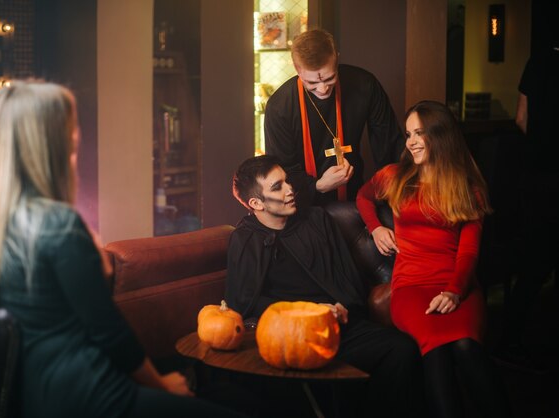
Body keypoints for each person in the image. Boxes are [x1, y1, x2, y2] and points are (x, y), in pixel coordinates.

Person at [0, 80, 244, 418]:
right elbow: (109, 332)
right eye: (70, 125)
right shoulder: (59, 225)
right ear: (51, 141)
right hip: (88, 391)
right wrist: (161, 385)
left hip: (30, 395)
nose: (76, 133)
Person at [226, 155, 424, 418]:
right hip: (291, 337)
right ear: (256, 203)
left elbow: (347, 278)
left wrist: (341, 308)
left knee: (402, 349)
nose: (290, 190)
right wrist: (308, 312)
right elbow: (245, 301)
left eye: (287, 181)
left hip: (341, 326)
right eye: (277, 187)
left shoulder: (317, 220)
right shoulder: (244, 239)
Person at [356, 100, 512, 418]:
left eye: (419, 134)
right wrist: (376, 229)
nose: (410, 141)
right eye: (408, 133)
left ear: (440, 136)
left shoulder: (468, 189)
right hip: (411, 285)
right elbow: (362, 196)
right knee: (436, 350)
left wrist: (455, 292)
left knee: (467, 346)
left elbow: (468, 251)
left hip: (458, 284)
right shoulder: (395, 176)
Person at [264, 28, 404, 207]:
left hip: (356, 197)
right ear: (297, 69)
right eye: (312, 82)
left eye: (330, 78)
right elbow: (281, 170)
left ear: (336, 59)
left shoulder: (364, 85)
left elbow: (389, 144)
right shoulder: (279, 106)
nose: (323, 89)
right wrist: (319, 186)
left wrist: (393, 194)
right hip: (301, 205)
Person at [496, 45, 559, 371]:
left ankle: (510, 341)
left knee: (534, 266)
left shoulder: (540, 60)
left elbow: (522, 119)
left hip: (536, 178)